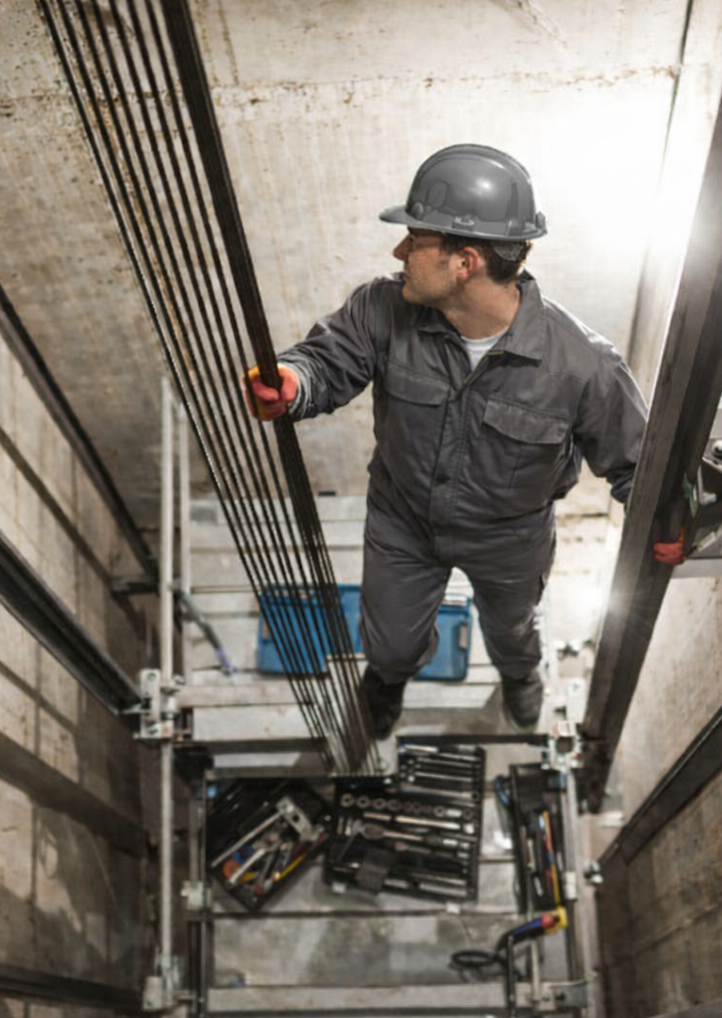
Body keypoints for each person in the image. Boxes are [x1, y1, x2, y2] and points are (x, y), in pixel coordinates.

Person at [243, 144, 681, 738]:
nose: (400, 252)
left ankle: (521, 678)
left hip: (510, 536)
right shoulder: (382, 307)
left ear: (464, 261)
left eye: (415, 239)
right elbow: (329, 360)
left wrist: (671, 521)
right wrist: (293, 383)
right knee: (390, 642)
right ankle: (389, 679)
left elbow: (637, 466)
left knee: (513, 630)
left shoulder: (583, 366)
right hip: (403, 520)